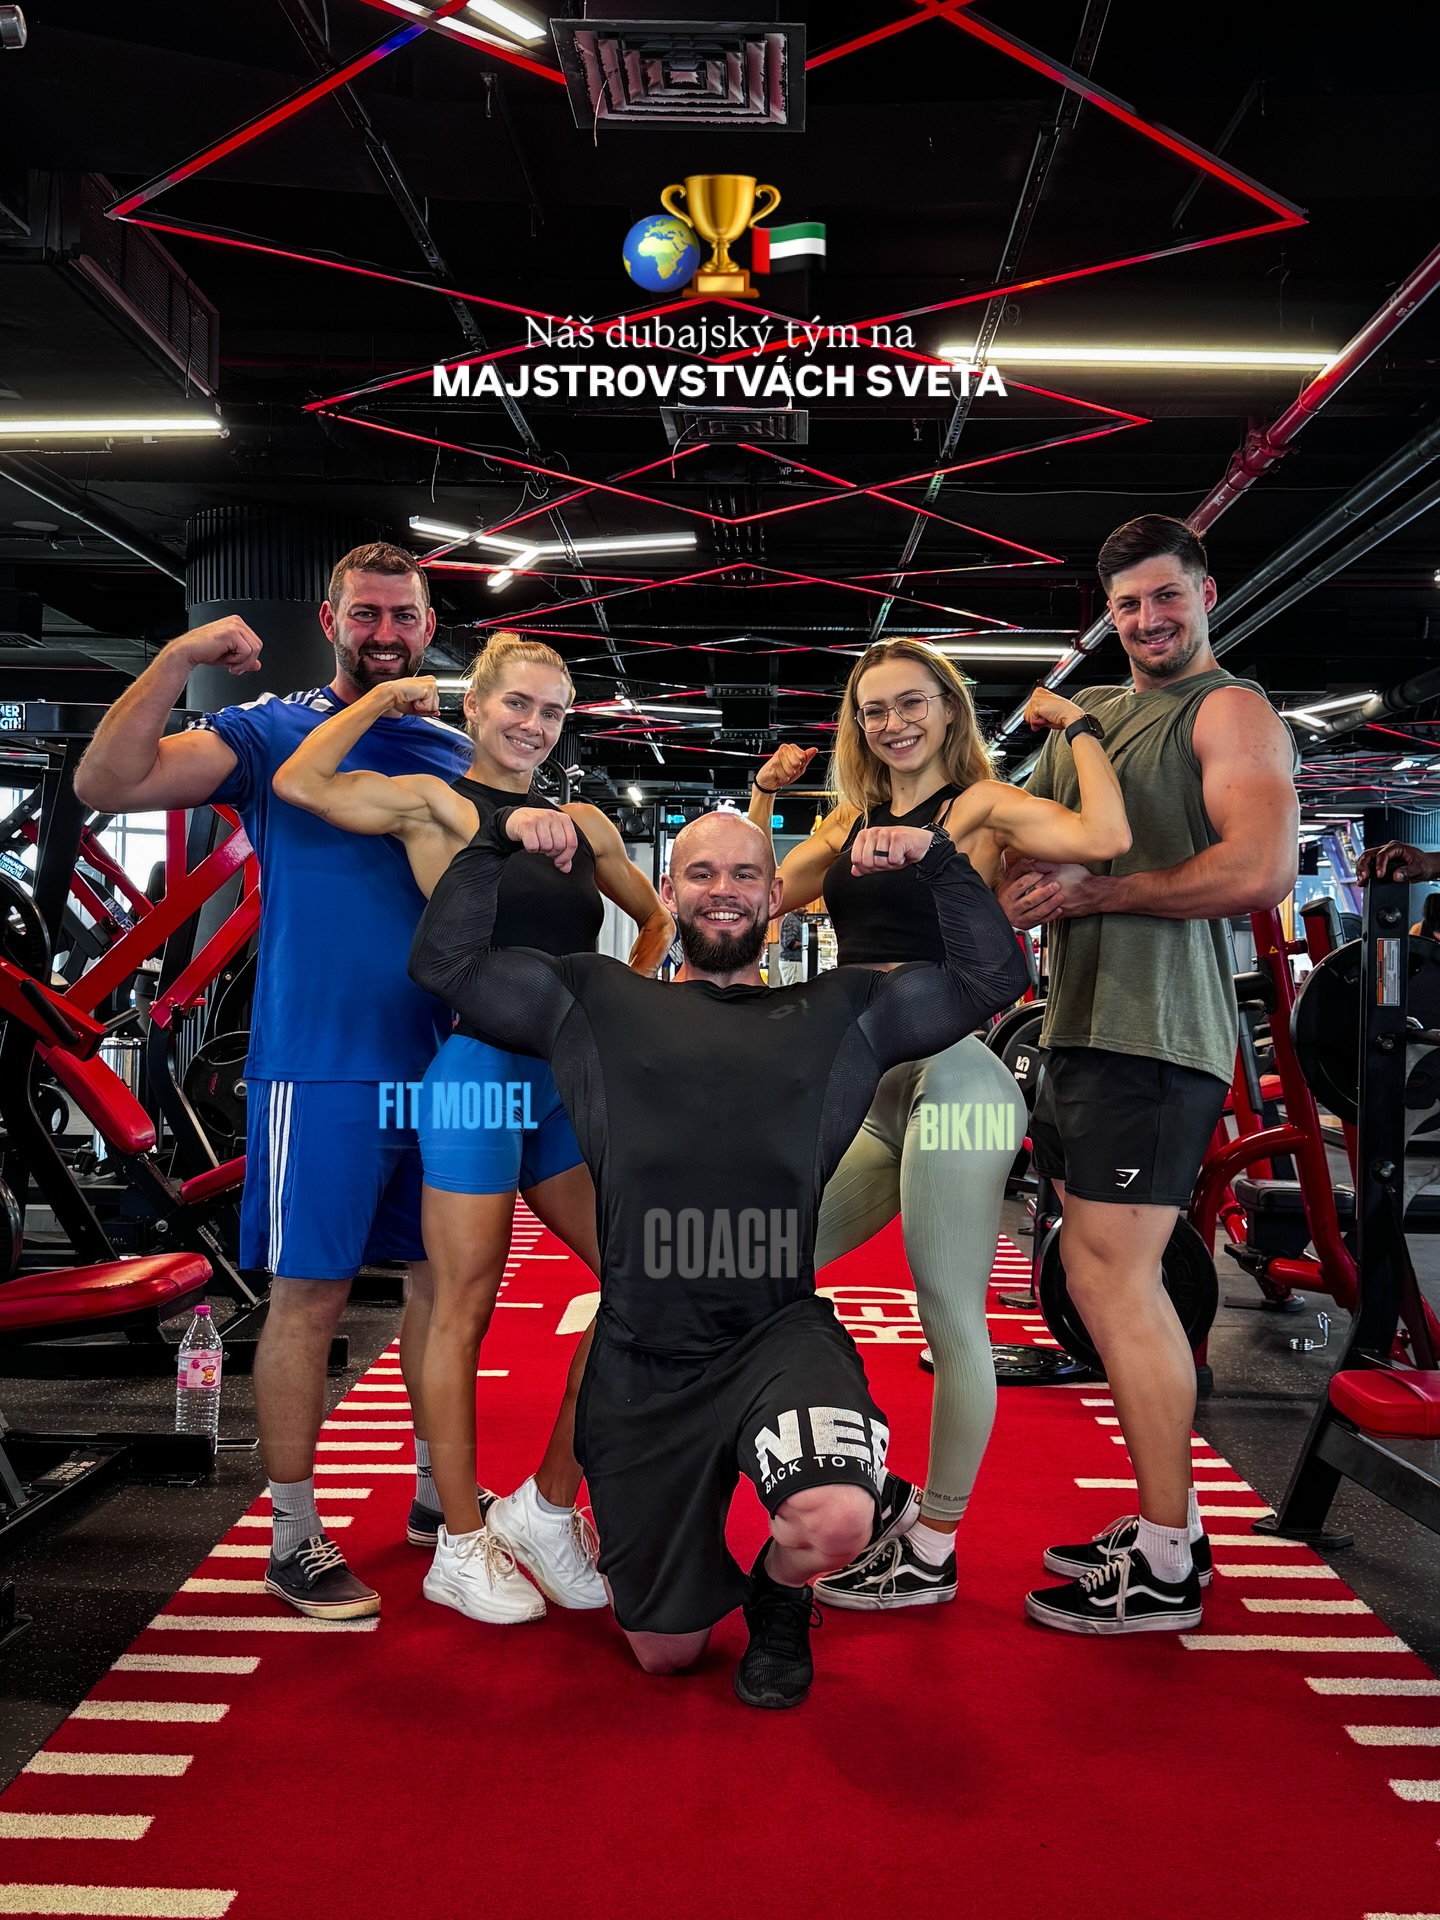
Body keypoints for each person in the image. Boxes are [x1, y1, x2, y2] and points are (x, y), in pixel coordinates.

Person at [408, 803, 1030, 1706]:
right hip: (641, 1356)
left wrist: (937, 860)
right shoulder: (593, 997)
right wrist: (492, 839)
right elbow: (447, 965)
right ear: (668, 891)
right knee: (666, 1652)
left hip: (776, 1335)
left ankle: (778, 1594)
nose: (724, 893)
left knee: (837, 1519)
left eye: (745, 875)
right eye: (701, 875)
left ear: (778, 895)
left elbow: (989, 976)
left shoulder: (844, 1010)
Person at [72, 543, 527, 1622]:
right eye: (366, 614)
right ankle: (292, 1534)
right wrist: (181, 654)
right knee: (308, 1298)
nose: (386, 634)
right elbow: (105, 783)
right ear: (332, 619)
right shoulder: (272, 731)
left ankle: (434, 1496)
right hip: (321, 1065)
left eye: (404, 616)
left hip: (452, 1067)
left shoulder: (460, 747)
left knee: (442, 1289)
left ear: (429, 626)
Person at [272, 637, 673, 1623]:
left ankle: (545, 1505)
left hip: (562, 1084)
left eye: (551, 712)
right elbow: (300, 777)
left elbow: (652, 919)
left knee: (645, 1278)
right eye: (516, 706)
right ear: (477, 708)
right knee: (461, 1306)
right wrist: (385, 700)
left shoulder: (583, 821)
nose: (533, 726)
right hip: (476, 1079)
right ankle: (458, 1537)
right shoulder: (438, 807)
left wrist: (624, 1001)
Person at [746, 648, 1129, 1608]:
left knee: (949, 1314)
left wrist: (1076, 726)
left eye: (911, 703)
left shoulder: (982, 808)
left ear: (948, 711)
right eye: (873, 711)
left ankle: (935, 1543)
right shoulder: (848, 820)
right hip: (875, 1094)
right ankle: (889, 1501)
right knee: (761, 1266)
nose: (892, 724)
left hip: (956, 1091)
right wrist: (759, 796)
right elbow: (756, 899)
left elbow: (1108, 835)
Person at [998, 513, 1298, 1634]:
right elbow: (1021, 847)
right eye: (1126, 604)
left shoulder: (1228, 710)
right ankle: (1167, 1526)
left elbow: (1260, 868)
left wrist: (1103, 892)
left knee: (1118, 1286)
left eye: (1165, 596)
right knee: (1091, 1279)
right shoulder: (1098, 720)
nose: (1147, 620)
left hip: (1152, 1034)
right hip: (1078, 1027)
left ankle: (1169, 1560)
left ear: (1206, 593)